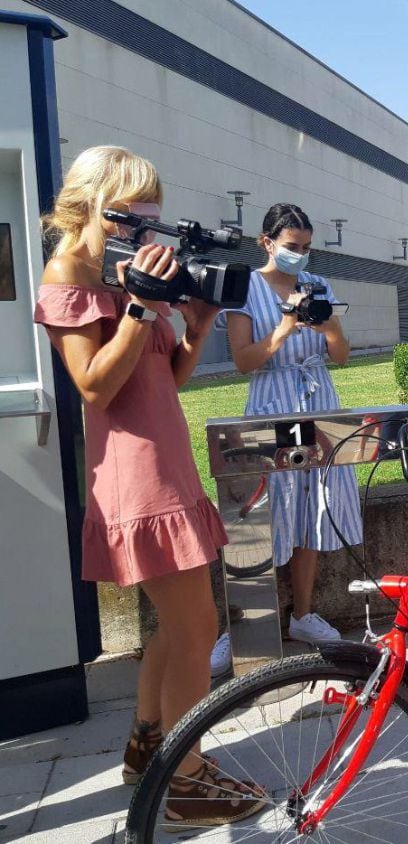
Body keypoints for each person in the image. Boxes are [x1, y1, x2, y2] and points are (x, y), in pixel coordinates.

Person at [33, 145, 263, 827]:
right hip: (136, 475)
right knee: (198, 627)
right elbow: (95, 387)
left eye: (152, 218)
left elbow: (169, 377)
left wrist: (195, 326)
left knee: (177, 625)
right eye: (133, 217)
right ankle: (185, 781)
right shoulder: (70, 273)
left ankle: (148, 747)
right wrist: (138, 307)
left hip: (167, 462)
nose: (146, 232)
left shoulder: (128, 272)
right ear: (91, 205)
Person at [212, 203, 363, 675]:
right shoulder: (246, 289)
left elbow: (341, 356)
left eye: (306, 247)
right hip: (270, 403)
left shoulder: (319, 287)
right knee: (261, 511)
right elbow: (243, 361)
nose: (300, 255)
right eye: (292, 246)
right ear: (267, 242)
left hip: (317, 400)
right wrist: (281, 331)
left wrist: (330, 325)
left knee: (313, 507)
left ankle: (302, 614)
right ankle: (243, 623)